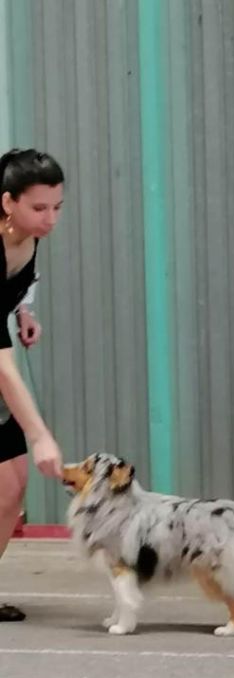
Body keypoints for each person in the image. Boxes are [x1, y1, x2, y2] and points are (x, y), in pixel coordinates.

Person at [0, 148, 65, 622]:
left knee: (11, 491)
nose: (50, 219)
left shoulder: (27, 236)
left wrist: (24, 311)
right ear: (8, 202)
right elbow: (1, 366)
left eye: (57, 207)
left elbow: (23, 280)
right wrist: (41, 434)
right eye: (39, 208)